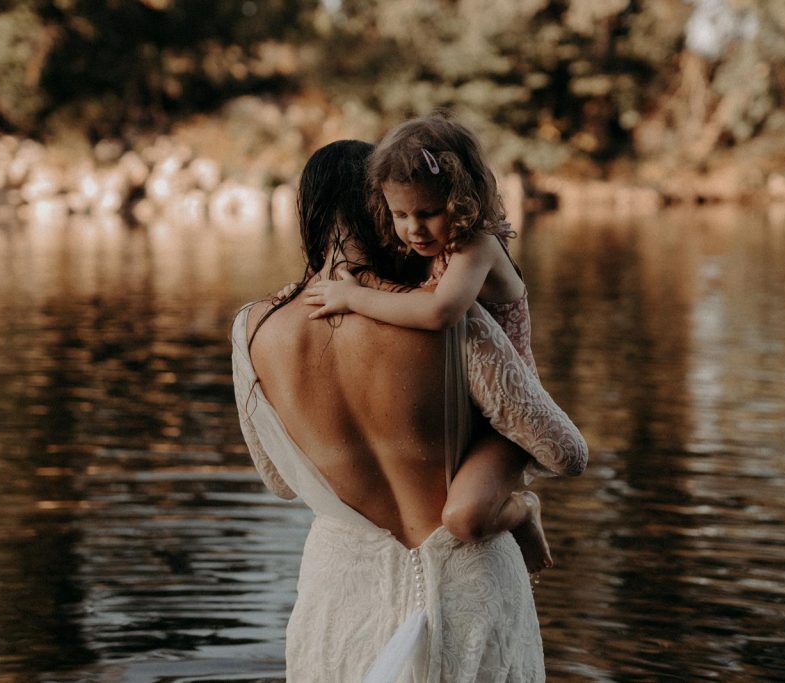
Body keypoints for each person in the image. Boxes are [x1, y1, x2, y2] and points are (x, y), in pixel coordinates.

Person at [231, 140, 586, 681]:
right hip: (466, 580)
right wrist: (497, 446)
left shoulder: (251, 329)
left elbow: (281, 479)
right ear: (381, 208)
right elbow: (565, 451)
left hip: (341, 593)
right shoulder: (446, 317)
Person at [303, 114, 555, 570]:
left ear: (461, 202)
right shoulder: (429, 249)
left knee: (463, 518)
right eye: (400, 215)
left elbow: (439, 312)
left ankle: (523, 512)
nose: (413, 229)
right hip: (459, 410)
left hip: (504, 419)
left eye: (427, 213)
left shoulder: (476, 247)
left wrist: (353, 298)